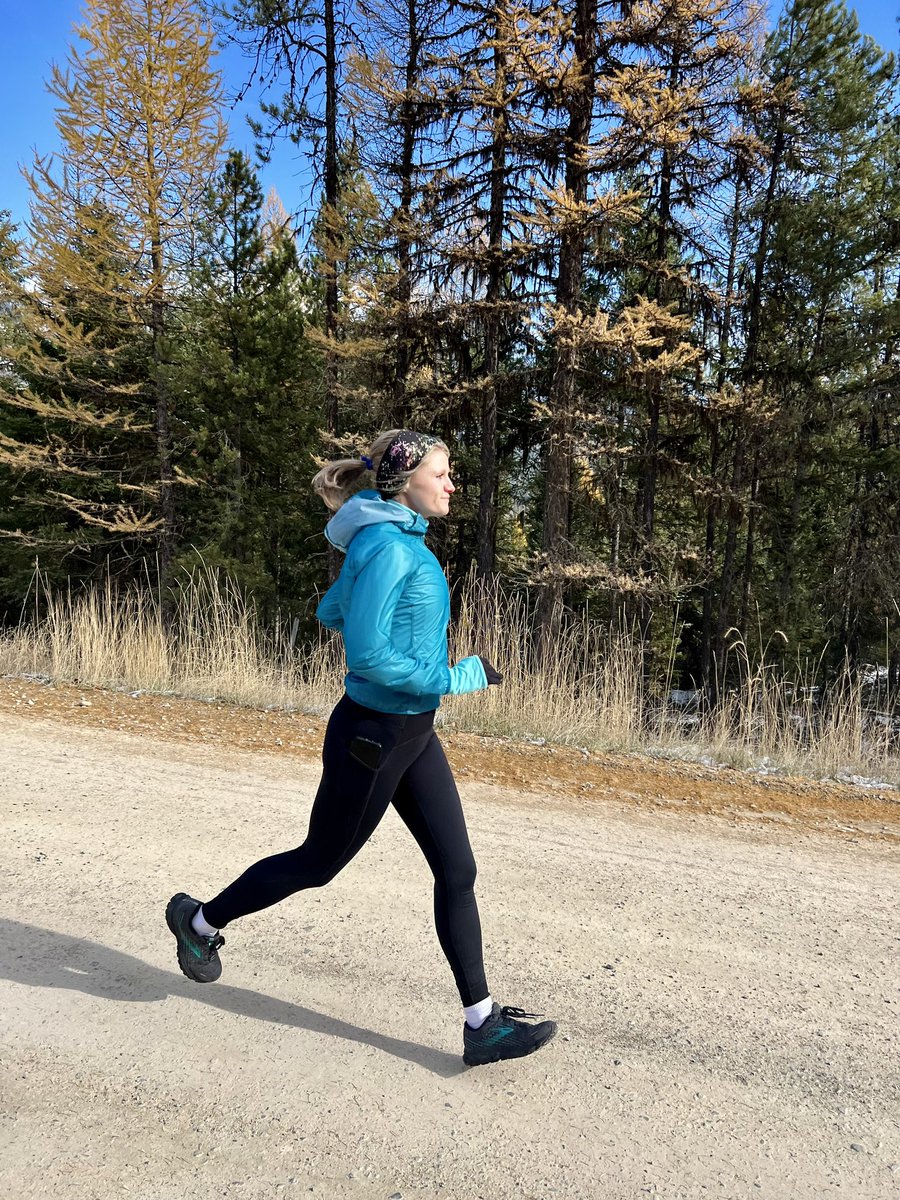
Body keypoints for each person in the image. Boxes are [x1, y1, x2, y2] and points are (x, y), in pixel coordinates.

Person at [166, 429, 557, 1066]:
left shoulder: (390, 539)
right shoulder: (388, 546)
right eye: (443, 472)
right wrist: (457, 674)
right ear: (406, 482)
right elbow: (369, 654)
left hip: (412, 733)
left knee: (457, 870)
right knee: (318, 863)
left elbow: (331, 611)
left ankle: (481, 1024)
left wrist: (396, 633)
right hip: (373, 737)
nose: (452, 484)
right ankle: (201, 922)